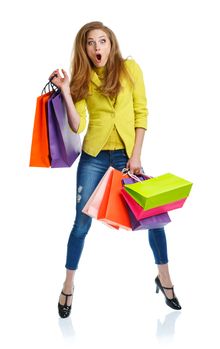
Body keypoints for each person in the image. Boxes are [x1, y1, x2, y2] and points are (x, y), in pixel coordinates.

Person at [49, 21, 181, 318]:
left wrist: (136, 156)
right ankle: (68, 285)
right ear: (84, 48)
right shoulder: (83, 79)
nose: (98, 47)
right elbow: (77, 125)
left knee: (154, 216)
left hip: (126, 155)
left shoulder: (130, 69)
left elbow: (141, 112)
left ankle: (165, 278)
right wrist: (67, 92)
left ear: (111, 43)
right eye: (91, 43)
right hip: (94, 157)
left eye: (103, 41)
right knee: (81, 224)